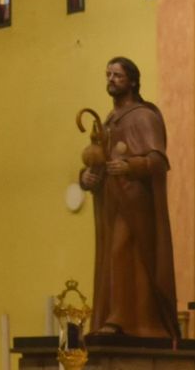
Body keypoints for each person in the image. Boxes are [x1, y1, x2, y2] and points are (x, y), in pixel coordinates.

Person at [76, 56, 180, 339]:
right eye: (107, 74)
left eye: (117, 75)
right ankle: (114, 316)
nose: (111, 80)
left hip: (135, 204)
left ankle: (127, 320)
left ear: (132, 81)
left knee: (125, 253)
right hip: (112, 203)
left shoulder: (143, 116)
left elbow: (158, 160)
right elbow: (98, 161)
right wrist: (87, 178)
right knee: (112, 257)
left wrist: (131, 166)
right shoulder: (108, 121)